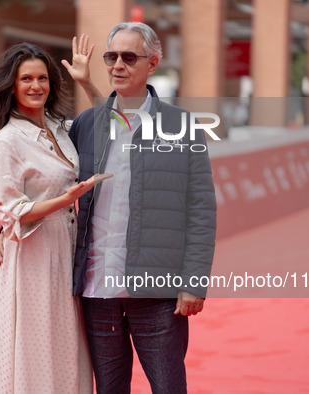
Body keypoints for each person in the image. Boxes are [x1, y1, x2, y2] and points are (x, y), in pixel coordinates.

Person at [68, 22, 217, 393]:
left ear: (153, 63)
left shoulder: (182, 126)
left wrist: (193, 281)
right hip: (96, 290)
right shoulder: (86, 124)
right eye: (111, 56)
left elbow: (201, 209)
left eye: (129, 57)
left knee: (168, 387)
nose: (118, 65)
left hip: (156, 293)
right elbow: (57, 187)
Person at [0, 42, 111, 394]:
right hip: (34, 257)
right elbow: (10, 209)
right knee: (36, 343)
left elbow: (113, 125)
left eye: (42, 78)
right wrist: (64, 199)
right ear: (11, 85)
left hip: (67, 248)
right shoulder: (7, 142)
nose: (36, 86)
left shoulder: (60, 127)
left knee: (65, 343)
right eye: (26, 79)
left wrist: (86, 82)